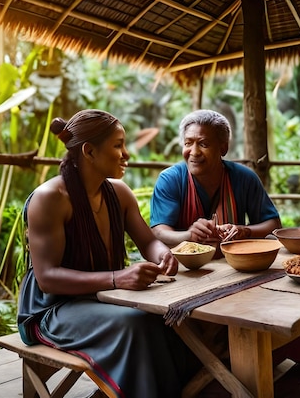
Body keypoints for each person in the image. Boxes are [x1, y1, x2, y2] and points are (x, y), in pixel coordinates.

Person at [16, 109, 199, 398]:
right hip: (52, 310)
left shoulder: (119, 193)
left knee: (174, 318)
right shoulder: (50, 199)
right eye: (118, 145)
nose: (126, 153)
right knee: (135, 323)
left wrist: (163, 254)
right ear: (89, 151)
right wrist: (116, 278)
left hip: (104, 297)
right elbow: (47, 279)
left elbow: (147, 242)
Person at [150, 109, 281, 250]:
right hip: (184, 268)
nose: (194, 152)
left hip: (234, 265)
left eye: (203, 144)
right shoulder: (171, 180)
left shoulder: (244, 178)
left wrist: (244, 231)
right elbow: (158, 232)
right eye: (188, 143)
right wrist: (189, 236)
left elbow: (273, 224)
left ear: (223, 148)